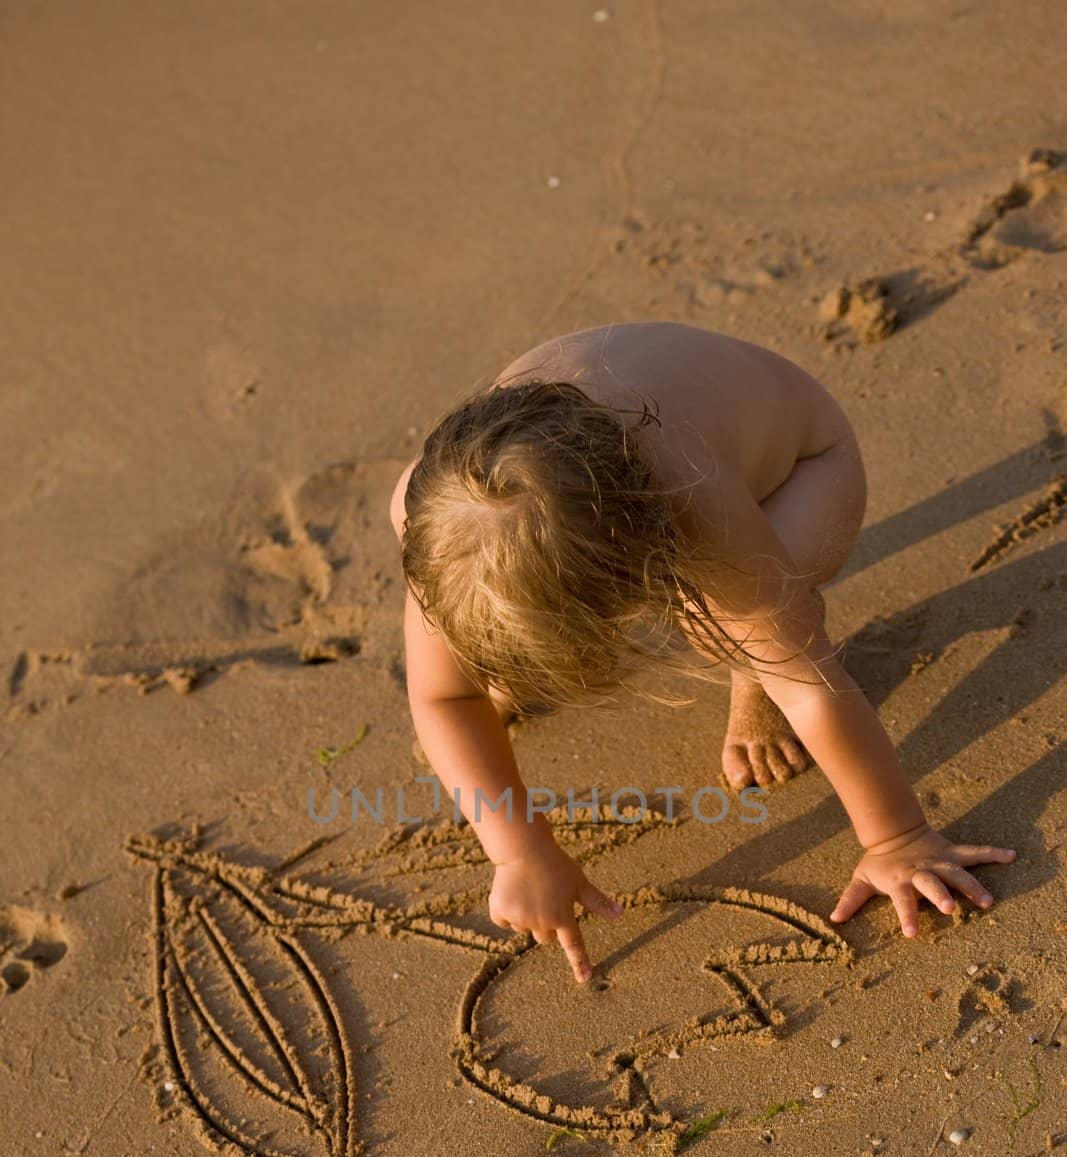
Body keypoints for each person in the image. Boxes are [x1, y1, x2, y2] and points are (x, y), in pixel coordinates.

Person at [390, 322, 1015, 982]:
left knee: (736, 624)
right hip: (609, 450)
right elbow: (443, 695)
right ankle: (513, 643)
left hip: (801, 472)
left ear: (642, 562)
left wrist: (897, 839)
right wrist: (518, 852)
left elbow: (805, 683)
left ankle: (748, 674)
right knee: (471, 652)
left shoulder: (692, 502)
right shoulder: (434, 515)